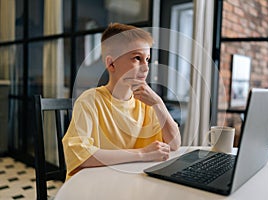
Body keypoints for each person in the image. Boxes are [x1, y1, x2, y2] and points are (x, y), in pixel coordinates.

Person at [62, 23, 181, 180]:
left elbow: (174, 144)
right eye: (137, 58)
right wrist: (142, 153)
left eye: (147, 59)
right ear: (111, 63)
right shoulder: (89, 101)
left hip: (131, 184)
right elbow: (80, 156)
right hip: (95, 186)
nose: (146, 68)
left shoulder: (147, 103)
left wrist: (159, 104)